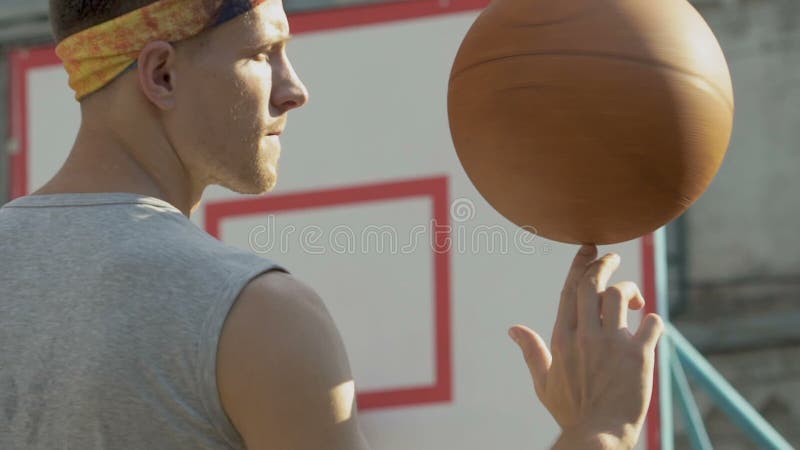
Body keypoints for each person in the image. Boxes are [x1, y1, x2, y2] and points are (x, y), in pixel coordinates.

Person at [0, 0, 664, 448]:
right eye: (264, 52)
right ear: (163, 74)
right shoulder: (253, 315)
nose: (295, 88)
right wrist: (597, 430)